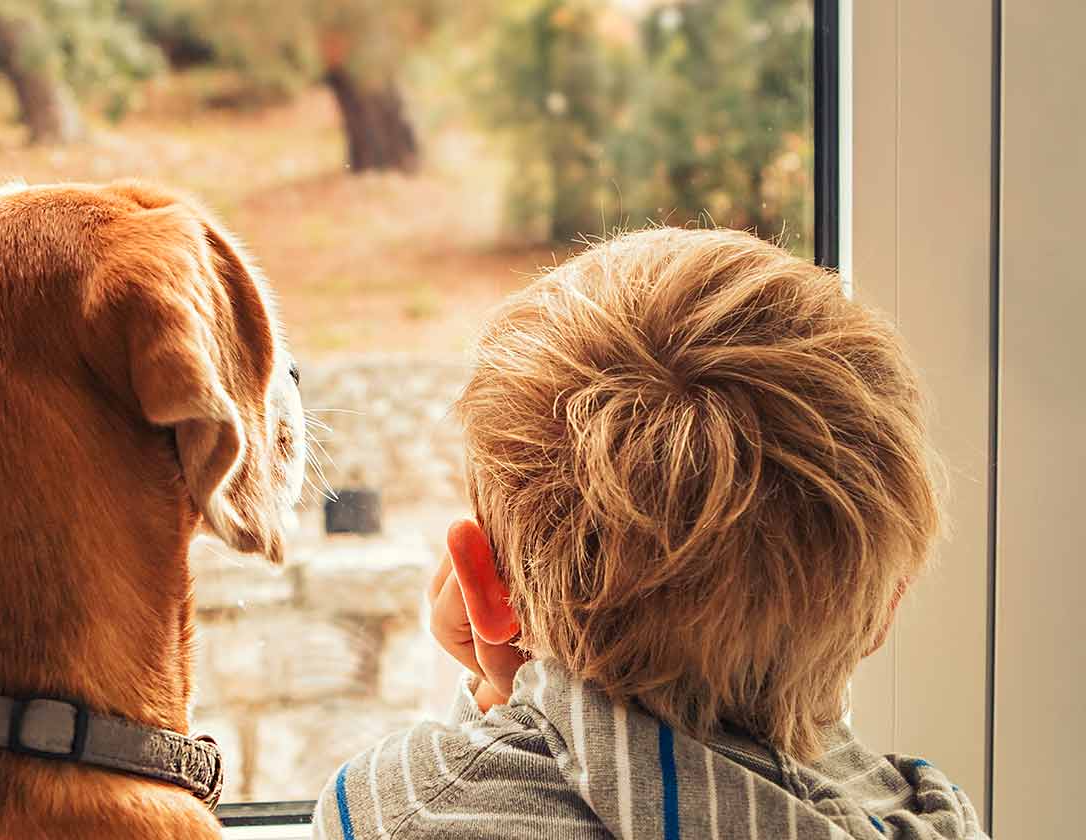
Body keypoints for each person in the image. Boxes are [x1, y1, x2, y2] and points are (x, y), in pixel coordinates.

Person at [312, 228, 988, 839]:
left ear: (482, 586)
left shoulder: (404, 807)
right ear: (886, 603)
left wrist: (504, 701)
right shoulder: (928, 814)